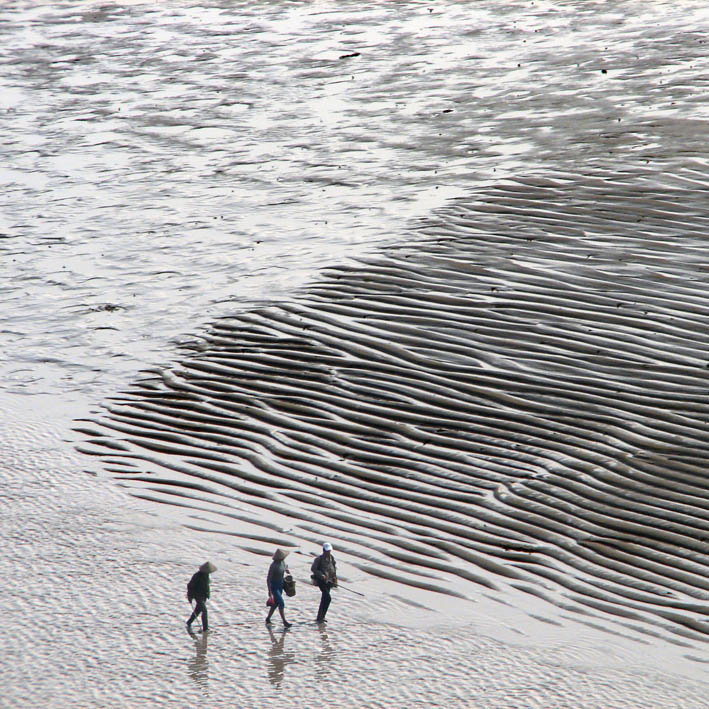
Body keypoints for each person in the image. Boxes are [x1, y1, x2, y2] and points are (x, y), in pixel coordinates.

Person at [311, 542, 337, 623]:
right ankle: (320, 617)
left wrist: (334, 579)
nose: (328, 552)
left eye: (329, 551)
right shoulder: (319, 559)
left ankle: (321, 617)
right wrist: (321, 575)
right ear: (323, 550)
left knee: (324, 599)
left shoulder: (331, 558)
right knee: (328, 598)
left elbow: (333, 568)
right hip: (321, 581)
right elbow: (313, 569)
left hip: (329, 581)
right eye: (327, 551)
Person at [186, 561, 216, 632]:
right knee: (204, 611)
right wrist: (190, 596)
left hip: (203, 596)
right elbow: (190, 586)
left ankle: (189, 622)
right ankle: (205, 628)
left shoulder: (206, 575)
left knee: (198, 610)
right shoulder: (197, 576)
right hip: (198, 596)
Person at [266, 548, 292, 628]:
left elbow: (285, 567)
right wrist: (269, 590)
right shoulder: (273, 566)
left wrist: (287, 570)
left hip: (280, 585)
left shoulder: (282, 562)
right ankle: (284, 621)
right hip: (274, 586)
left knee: (276, 603)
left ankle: (268, 618)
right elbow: (268, 578)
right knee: (281, 602)